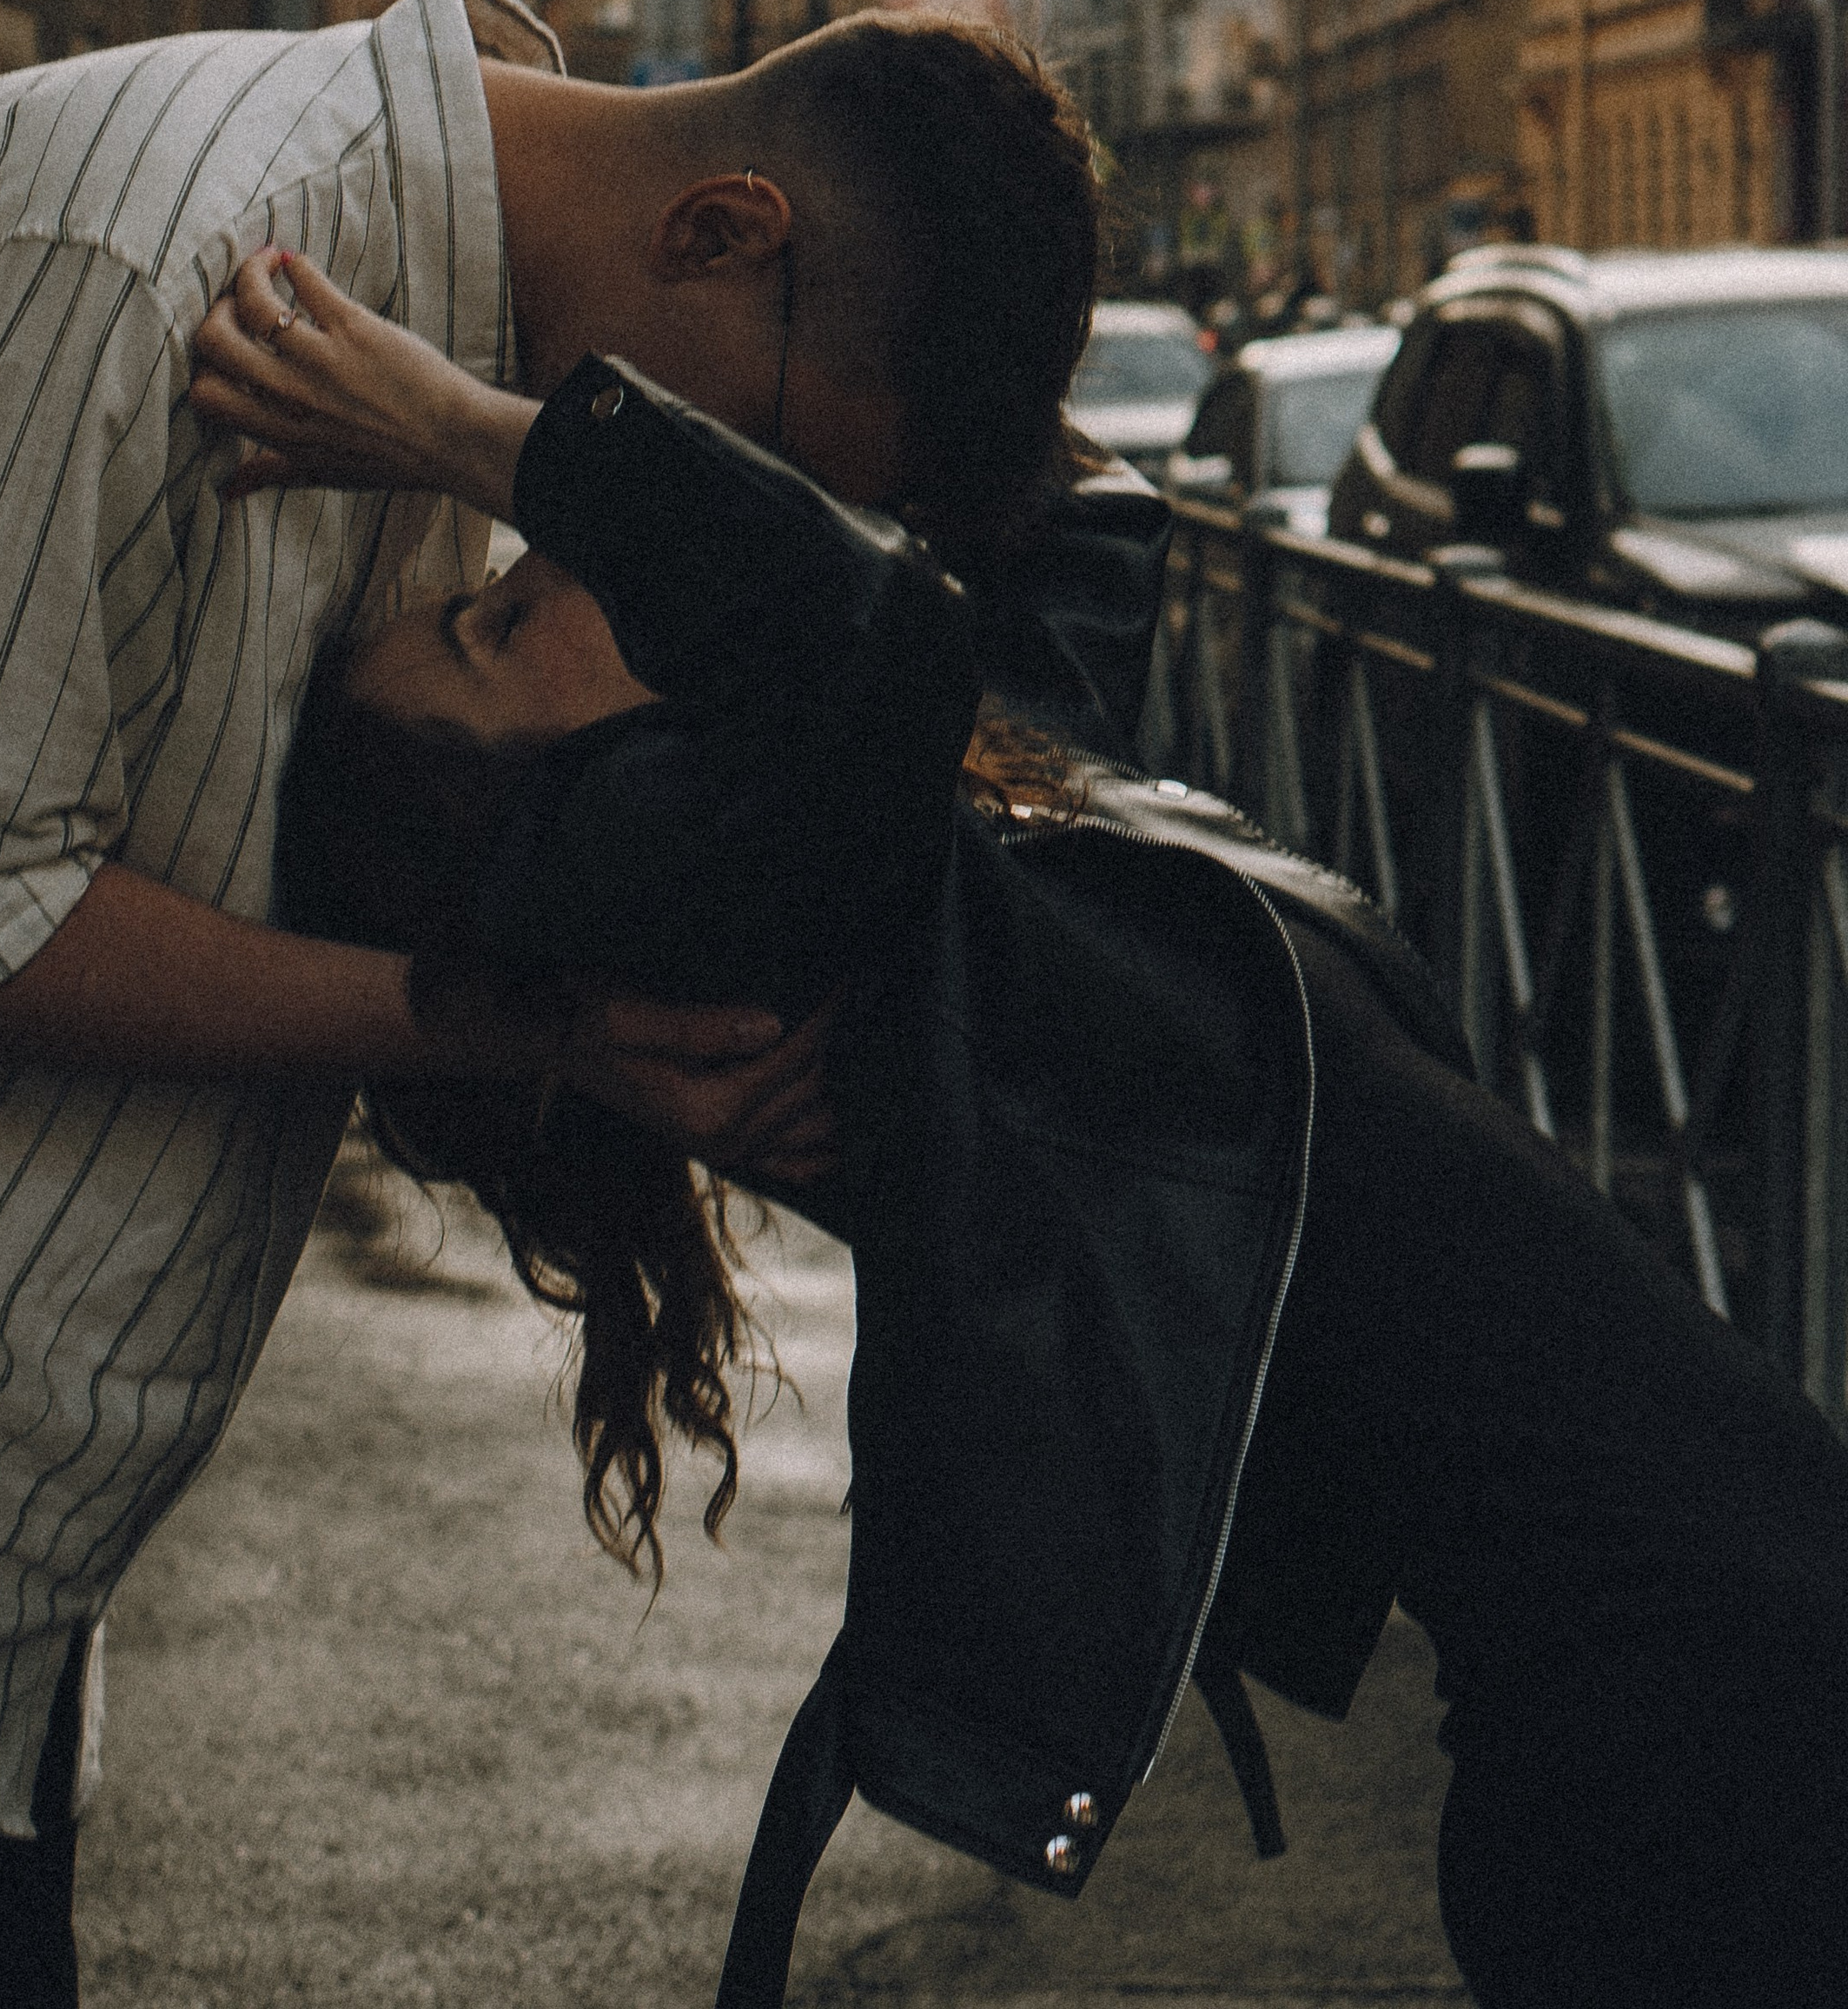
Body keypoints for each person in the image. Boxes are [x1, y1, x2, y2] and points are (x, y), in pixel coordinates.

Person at [0, 0, 1101, 2009]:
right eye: (747, 465)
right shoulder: (136, 244)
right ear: (718, 232)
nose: (694, 536)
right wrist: (521, 1029)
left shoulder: (454, 356)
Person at [243, 268, 1848, 2009]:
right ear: (544, 831)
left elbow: (1082, 527)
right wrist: (463, 427)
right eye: (492, 634)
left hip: (1683, 1672)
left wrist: (752, 355)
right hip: (1682, 1709)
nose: (542, 568)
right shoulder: (741, 885)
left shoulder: (920, 829)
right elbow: (859, 627)